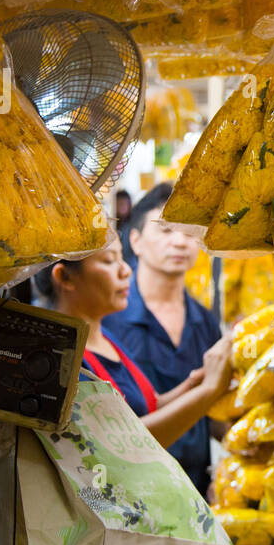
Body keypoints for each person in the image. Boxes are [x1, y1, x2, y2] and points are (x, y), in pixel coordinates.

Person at [35, 241, 232, 492]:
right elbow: (124, 446)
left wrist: (196, 382)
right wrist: (208, 392)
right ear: (64, 277)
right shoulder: (62, 356)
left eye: (121, 259)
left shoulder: (106, 338)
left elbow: (147, 406)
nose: (125, 270)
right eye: (109, 261)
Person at [103, 183, 229, 494]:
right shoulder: (107, 318)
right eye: (164, 230)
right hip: (127, 489)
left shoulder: (206, 323)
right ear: (136, 240)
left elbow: (213, 414)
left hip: (192, 493)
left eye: (188, 233)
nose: (179, 242)